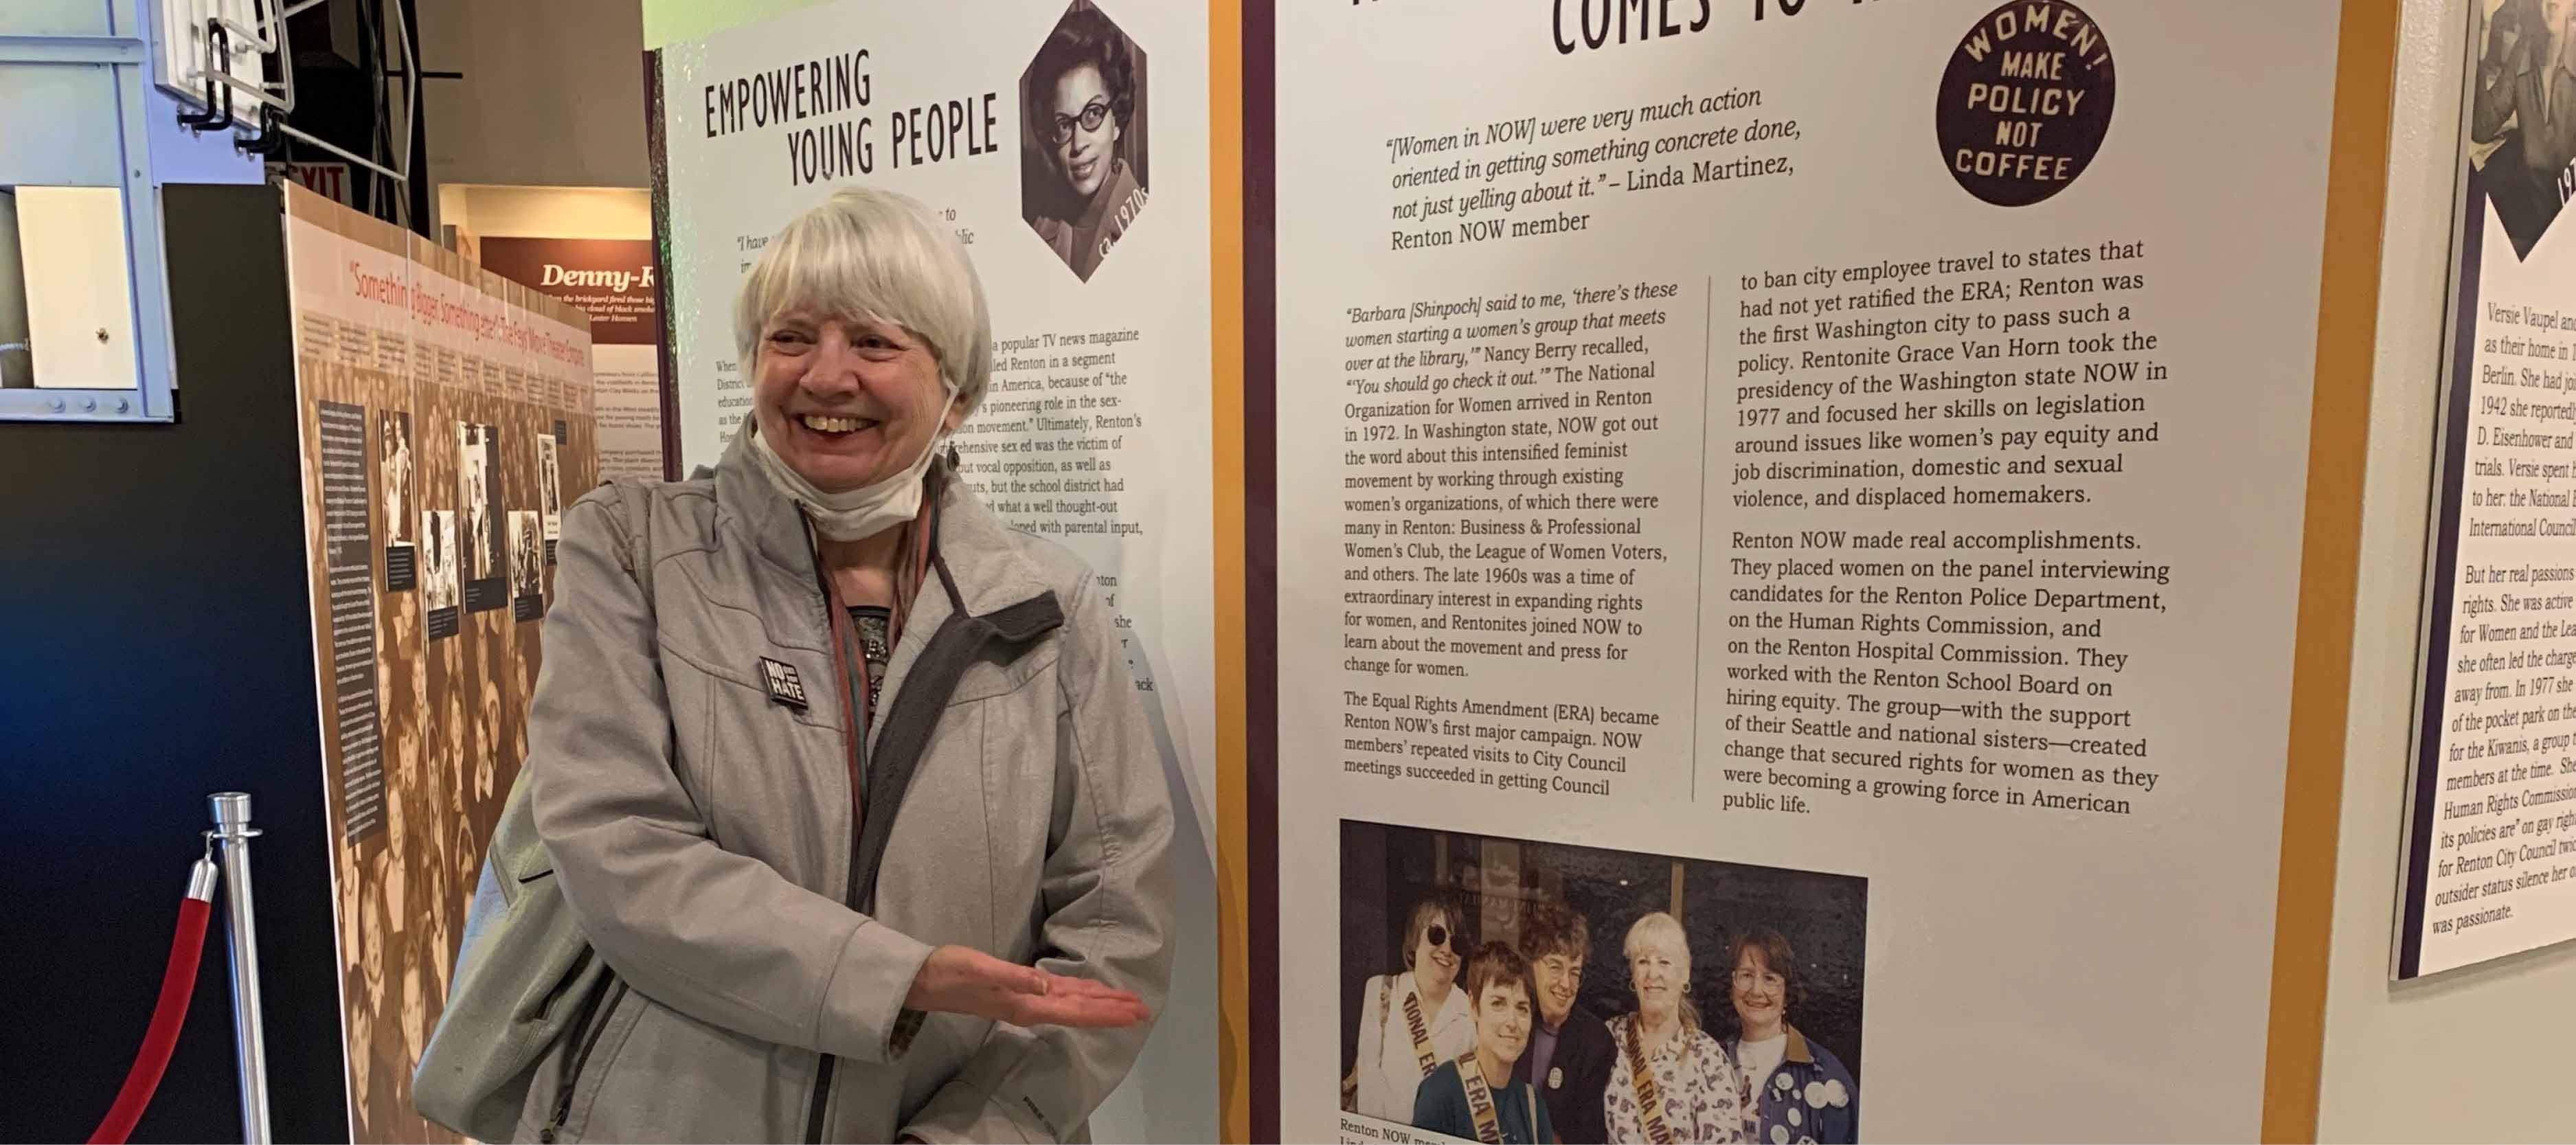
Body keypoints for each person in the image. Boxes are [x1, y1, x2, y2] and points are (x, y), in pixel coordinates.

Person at [506, 186, 1175, 1142]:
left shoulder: (1047, 611)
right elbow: (617, 845)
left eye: (873, 341)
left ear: (959, 391)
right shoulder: (631, 551)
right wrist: (894, 979)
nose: (826, 376)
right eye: (792, 338)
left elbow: (1114, 928)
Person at [1026, 5, 1148, 280]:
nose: (1078, 143)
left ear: (1116, 120)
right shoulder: (1038, 231)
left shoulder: (1148, 219)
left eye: (1093, 114)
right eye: (1064, 124)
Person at [1604, 913, 1743, 1144]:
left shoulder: (1708, 1059)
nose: (1653, 974)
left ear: (1685, 974)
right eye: (1643, 962)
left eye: (1664, 962)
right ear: (1633, 974)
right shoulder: (1610, 1037)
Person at [1413, 942, 1558, 1144]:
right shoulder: (1440, 1093)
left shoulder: (1533, 1105)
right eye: (1498, 1004)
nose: (1512, 1022)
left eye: (1522, 1008)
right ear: (1474, 1006)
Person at [1351, 893, 1476, 1124]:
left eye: (1456, 943)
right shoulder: (1381, 992)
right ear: (1414, 939)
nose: (1447, 949)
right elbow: (1369, 1087)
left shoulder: (1471, 1012)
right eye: (1436, 935)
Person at [1724, 929, 1855, 1145]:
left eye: (1770, 978)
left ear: (1788, 993)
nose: (1757, 990)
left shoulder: (1823, 1072)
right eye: (1746, 975)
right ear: (1732, 985)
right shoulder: (1711, 1060)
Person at [1515, 905, 1612, 1144]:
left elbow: (1590, 1136)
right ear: (1531, 966)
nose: (1566, 984)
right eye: (1555, 967)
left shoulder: (1596, 1041)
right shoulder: (1510, 1020)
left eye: (1575, 973)